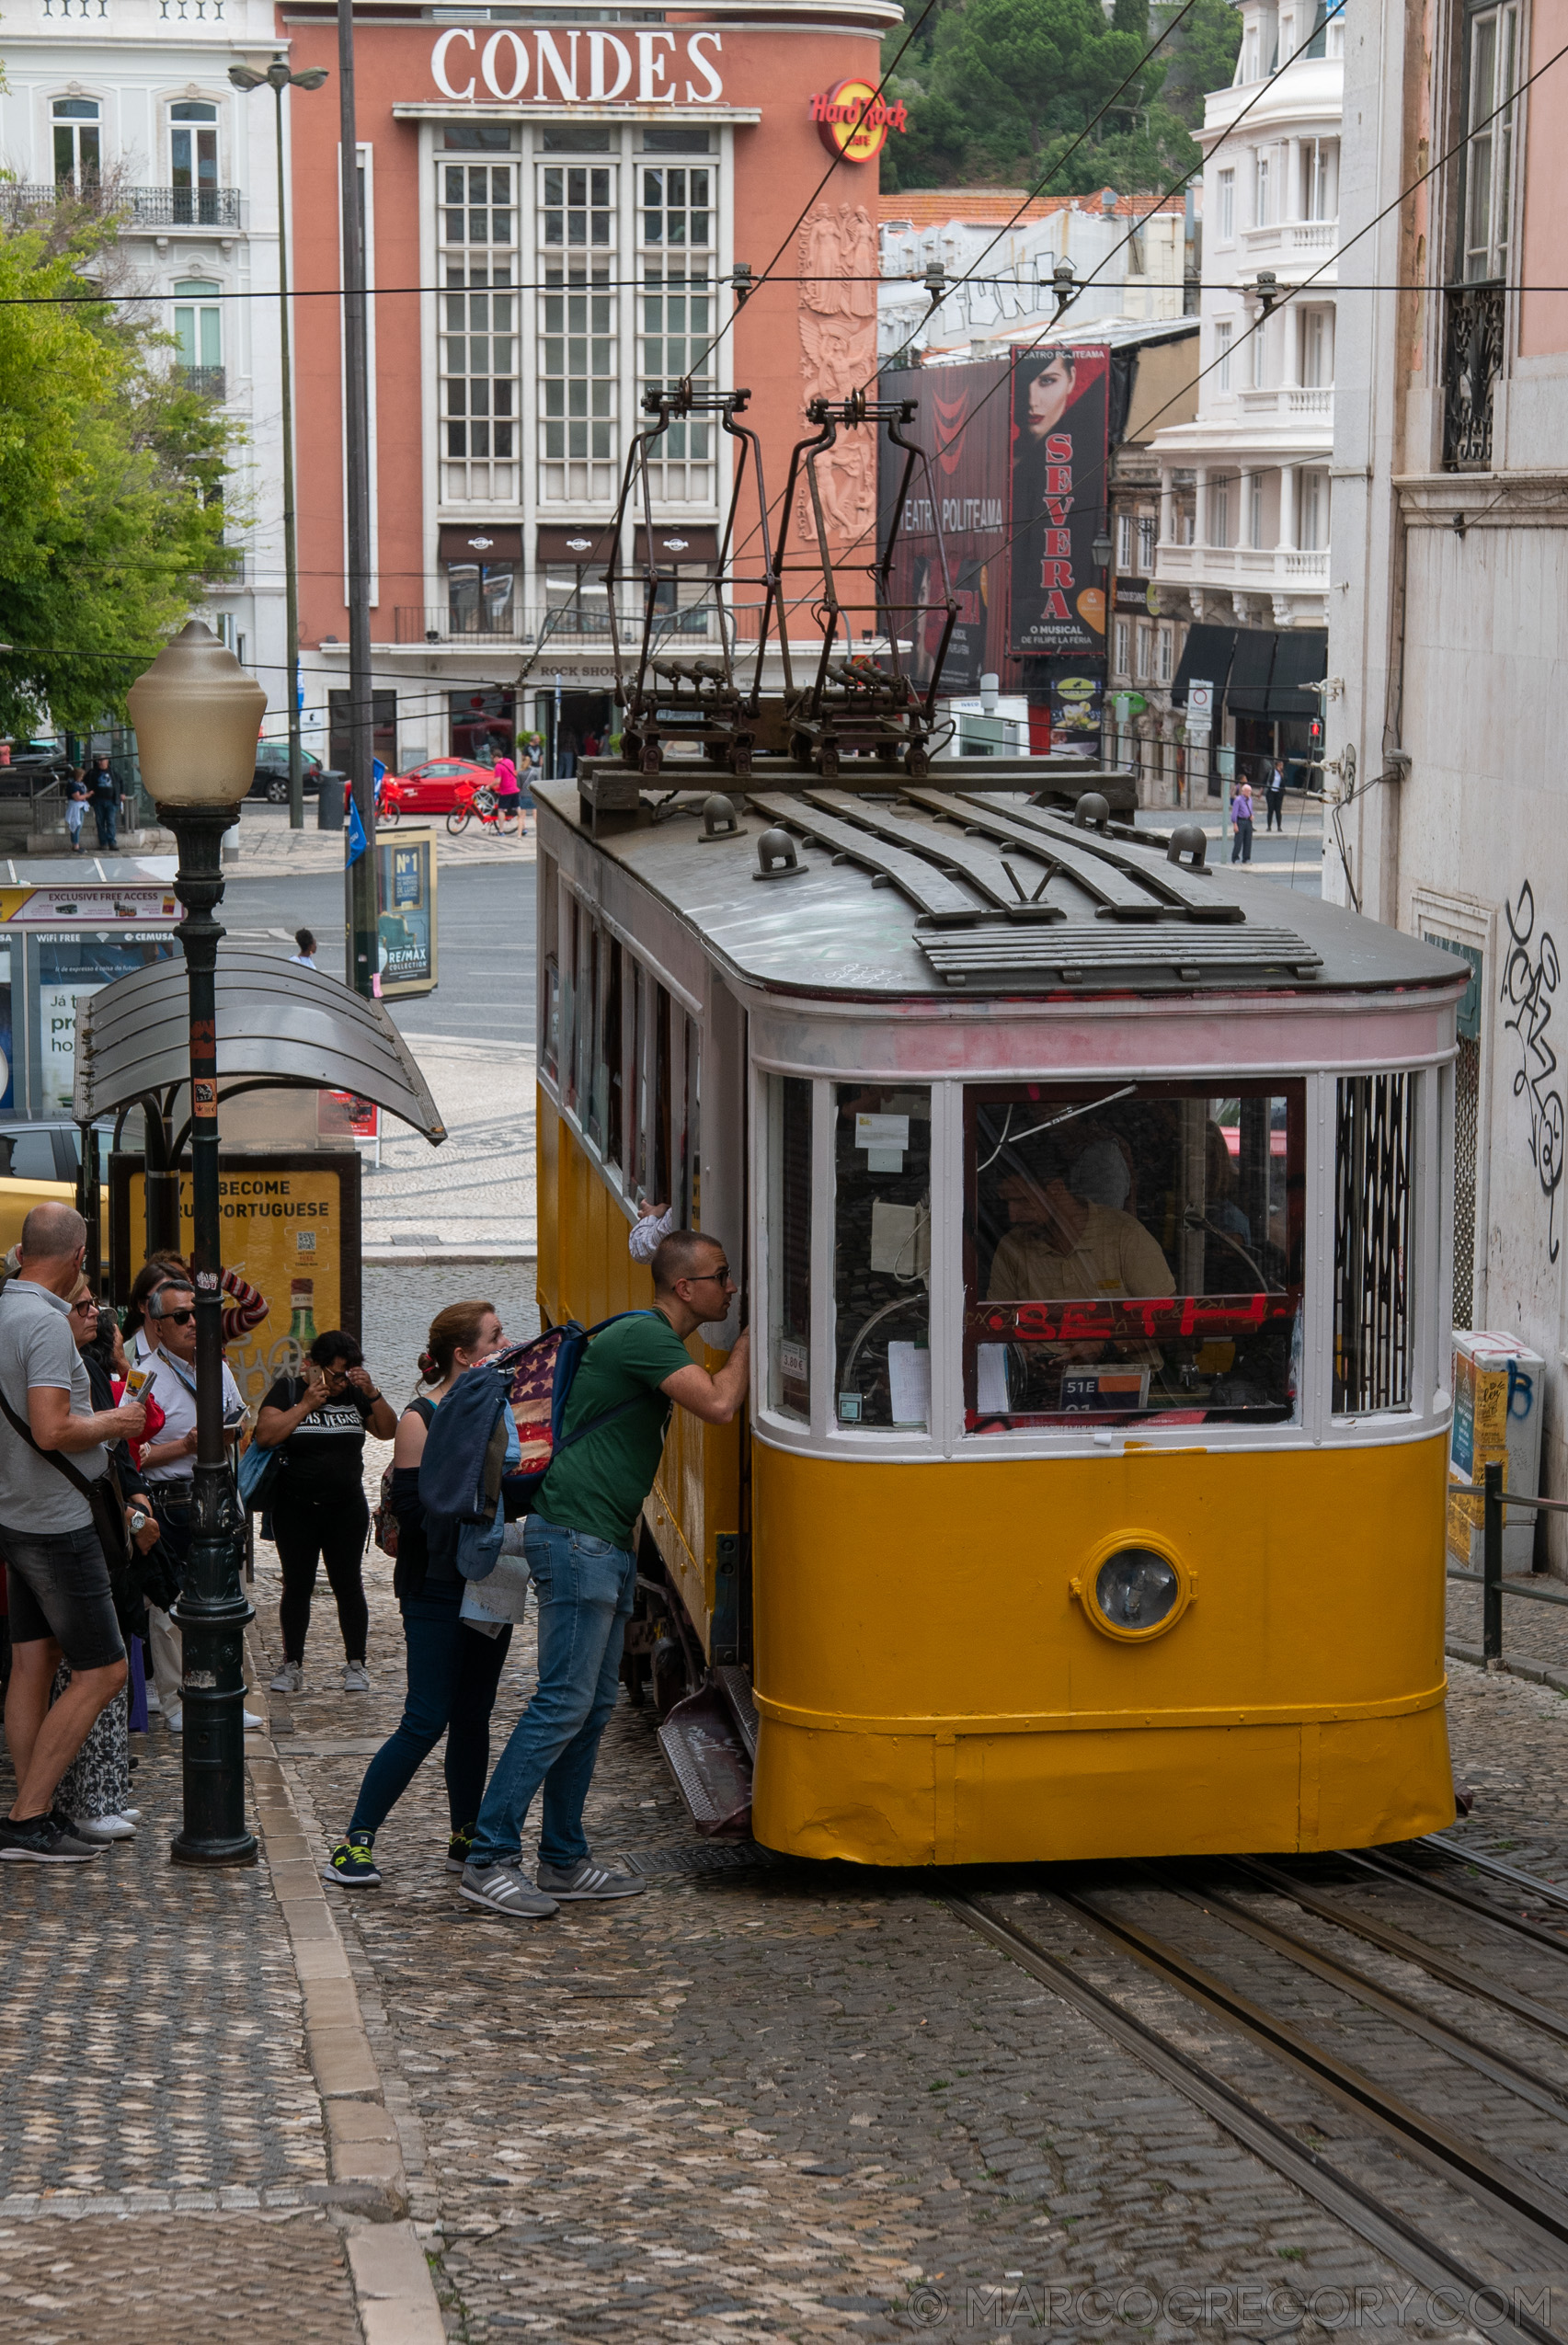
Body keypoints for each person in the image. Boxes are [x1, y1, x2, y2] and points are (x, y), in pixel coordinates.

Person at [460, 1229, 750, 1921]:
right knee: (560, 1703)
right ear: (686, 1288)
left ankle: (561, 1859)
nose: (729, 1287)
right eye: (721, 1276)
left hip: (603, 1541)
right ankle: (488, 1858)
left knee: (588, 1708)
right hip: (579, 1538)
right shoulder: (647, 1337)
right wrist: (751, 1343)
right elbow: (716, 1403)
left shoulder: (653, 1338)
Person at [326, 1301, 516, 1887]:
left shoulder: (503, 1408)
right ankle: (355, 1841)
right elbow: (410, 1511)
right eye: (495, 1336)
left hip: (493, 1582)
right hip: (435, 1585)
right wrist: (478, 1508)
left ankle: (464, 1837)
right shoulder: (421, 1417)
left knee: (474, 1716)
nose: (506, 1341)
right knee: (426, 1717)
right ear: (463, 1355)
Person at [0, 1203, 146, 1862]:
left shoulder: (4, 1309)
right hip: (57, 1517)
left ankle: (35, 1811)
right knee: (105, 1670)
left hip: (17, 1510)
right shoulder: (45, 1324)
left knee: (36, 1660)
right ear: (79, 1258)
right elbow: (54, 1428)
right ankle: (29, 1818)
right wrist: (118, 1422)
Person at [51, 1277, 155, 1842]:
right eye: (84, 1306)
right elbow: (104, 1440)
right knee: (97, 1666)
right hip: (75, 1524)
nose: (95, 1313)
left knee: (101, 1664)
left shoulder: (88, 1361)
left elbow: (128, 1437)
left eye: (96, 1306)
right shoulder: (63, 1364)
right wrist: (117, 1420)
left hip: (91, 1518)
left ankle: (102, 1789)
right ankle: (86, 1797)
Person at [137, 1279, 256, 1734]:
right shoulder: (144, 1375)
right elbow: (131, 1453)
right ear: (158, 1326)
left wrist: (232, 1431)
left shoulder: (217, 1368)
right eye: (181, 1317)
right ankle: (175, 1701)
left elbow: (238, 1416)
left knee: (228, 1597)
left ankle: (228, 1688)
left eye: (199, 1315)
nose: (193, 1324)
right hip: (170, 1500)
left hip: (217, 1495)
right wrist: (186, 1446)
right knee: (170, 1610)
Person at [256, 1331, 396, 1695]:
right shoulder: (287, 1390)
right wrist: (305, 1405)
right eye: (335, 1375)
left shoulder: (353, 1394)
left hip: (345, 1508)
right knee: (297, 1585)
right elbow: (265, 1435)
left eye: (348, 1374)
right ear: (313, 1367)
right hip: (295, 1508)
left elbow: (388, 1430)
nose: (340, 1383)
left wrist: (372, 1393)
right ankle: (292, 1664)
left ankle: (356, 1663)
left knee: (348, 1584)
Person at [86, 754, 122, 850]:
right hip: (98, 801)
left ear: (107, 761)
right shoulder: (93, 773)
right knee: (100, 822)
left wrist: (122, 793)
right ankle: (103, 843)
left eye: (102, 760)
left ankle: (112, 842)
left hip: (111, 801)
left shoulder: (113, 772)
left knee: (111, 821)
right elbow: (86, 781)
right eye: (99, 761)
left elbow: (120, 783)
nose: (100, 762)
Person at [491, 752, 522, 832]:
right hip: (515, 788)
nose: (492, 760)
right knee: (517, 807)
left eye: (492, 758)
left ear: (496, 757)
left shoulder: (498, 766)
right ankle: (523, 828)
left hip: (506, 791)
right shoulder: (509, 761)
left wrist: (489, 786)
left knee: (501, 810)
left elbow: (498, 780)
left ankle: (501, 831)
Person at [1230, 777, 1255, 864]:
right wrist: (1235, 824)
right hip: (1240, 821)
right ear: (1243, 791)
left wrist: (1252, 815)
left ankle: (1246, 858)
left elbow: (1250, 809)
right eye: (1248, 791)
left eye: (1250, 791)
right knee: (1238, 841)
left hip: (1248, 821)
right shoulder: (1238, 800)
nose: (1249, 793)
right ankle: (1235, 857)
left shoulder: (1250, 800)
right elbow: (1234, 813)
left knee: (1248, 841)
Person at [64, 772, 89, 854]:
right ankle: (76, 845)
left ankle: (75, 844)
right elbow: (77, 797)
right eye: (81, 776)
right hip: (76, 807)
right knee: (76, 825)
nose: (82, 778)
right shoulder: (73, 785)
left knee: (78, 825)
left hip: (81, 806)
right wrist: (87, 795)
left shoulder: (79, 784)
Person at [1264, 758, 1287, 832]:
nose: (1281, 767)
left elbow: (1285, 782)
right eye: (1280, 765)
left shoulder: (1283, 773)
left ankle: (1279, 826)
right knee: (1270, 809)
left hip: (1279, 793)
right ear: (1276, 766)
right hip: (1271, 792)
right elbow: (1265, 781)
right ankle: (1269, 826)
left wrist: (1282, 776)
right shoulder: (1271, 772)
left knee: (1278, 810)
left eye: (1282, 765)